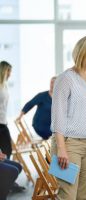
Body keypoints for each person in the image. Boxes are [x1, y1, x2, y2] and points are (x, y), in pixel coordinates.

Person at [51, 36, 86, 200]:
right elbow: (58, 115)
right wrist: (61, 149)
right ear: (83, 54)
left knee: (85, 196)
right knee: (68, 196)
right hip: (68, 144)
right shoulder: (66, 78)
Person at [0, 61, 25, 195]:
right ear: (3, 70)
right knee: (4, 152)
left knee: (8, 150)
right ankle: (6, 179)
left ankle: (7, 180)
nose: (10, 74)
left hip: (3, 123)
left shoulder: (4, 85)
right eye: (8, 71)